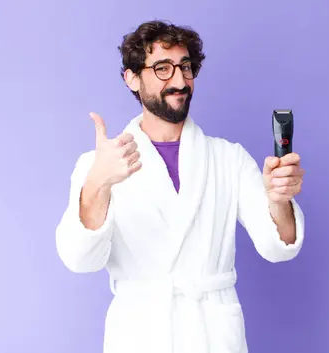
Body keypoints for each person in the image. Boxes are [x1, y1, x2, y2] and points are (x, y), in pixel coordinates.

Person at [55, 20, 305, 353]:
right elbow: (79, 260)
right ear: (131, 78)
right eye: (162, 68)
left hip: (213, 335)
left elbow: (278, 248)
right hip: (139, 335)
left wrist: (279, 199)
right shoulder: (98, 164)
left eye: (185, 67)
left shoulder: (227, 158)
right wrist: (99, 183)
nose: (179, 81)